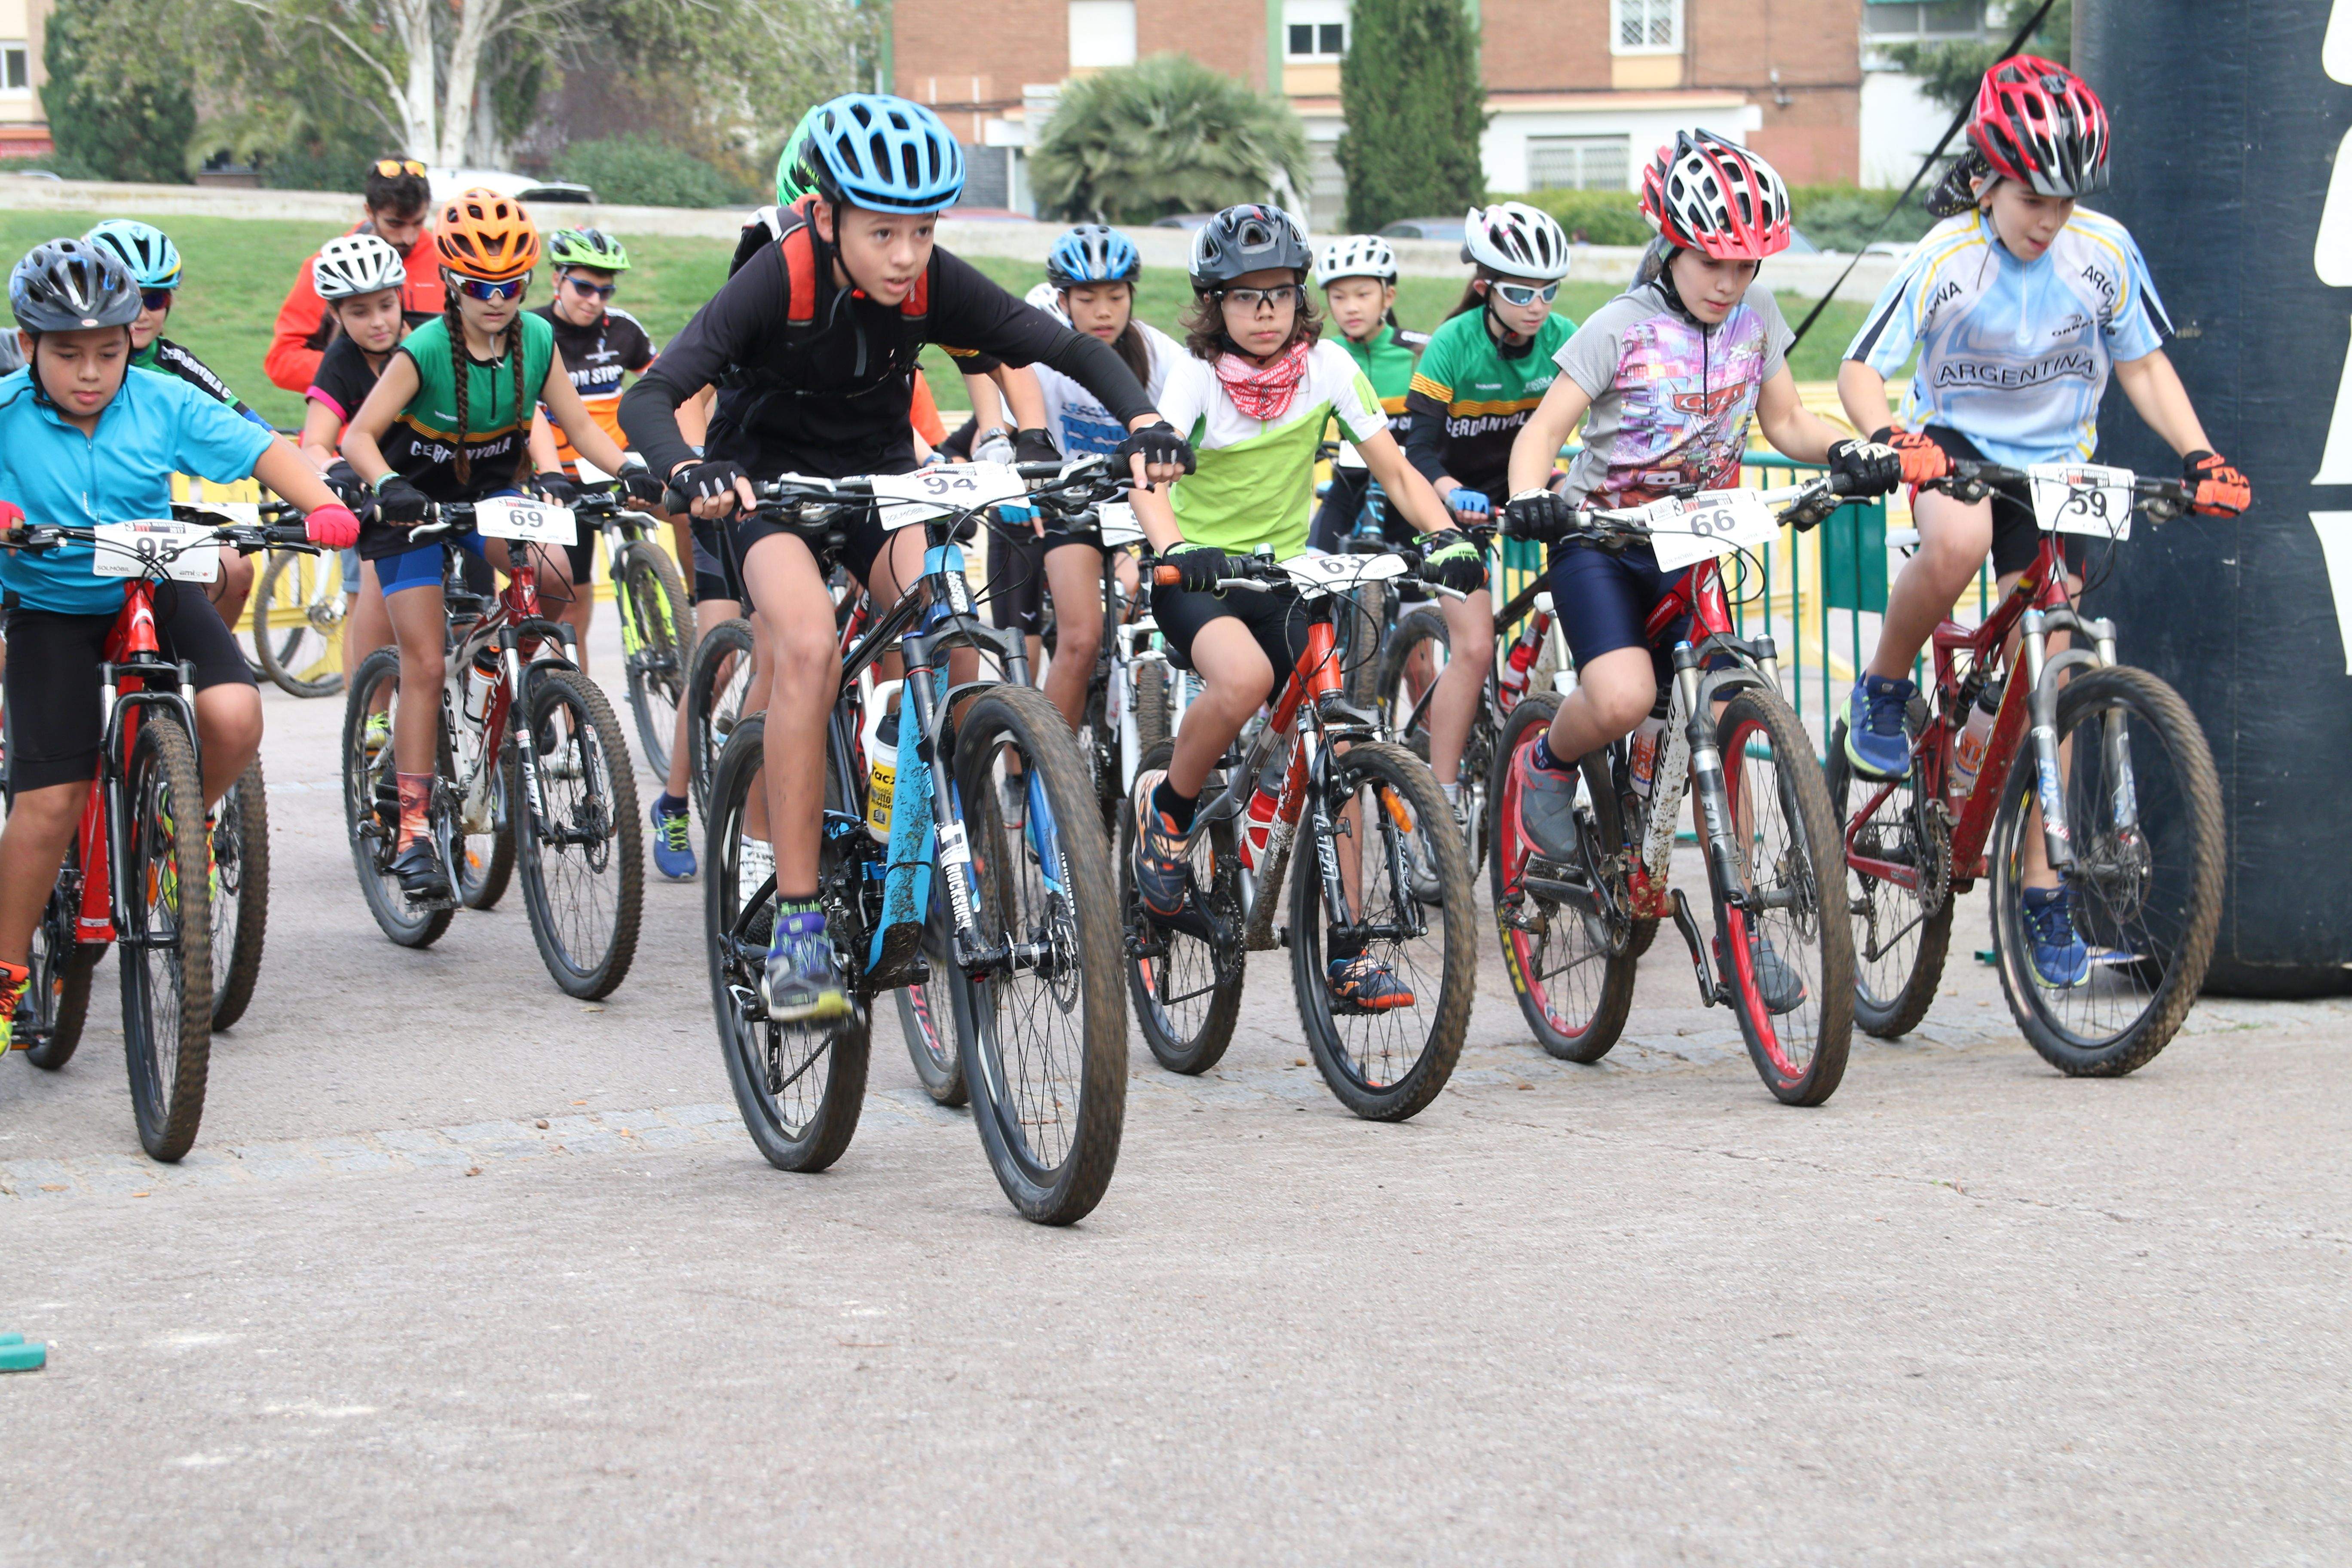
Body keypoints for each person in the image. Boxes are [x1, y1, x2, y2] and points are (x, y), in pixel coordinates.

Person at [618, 93, 1187, 1024]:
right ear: (829, 215)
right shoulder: (777, 275)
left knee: (953, 630)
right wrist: (689, 466)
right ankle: (797, 931)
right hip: (769, 493)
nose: (907, 256)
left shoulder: (928, 281)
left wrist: (1147, 419)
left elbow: (1062, 347)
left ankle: (923, 846)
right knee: (804, 647)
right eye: (884, 233)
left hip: (882, 484)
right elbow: (659, 392)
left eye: (923, 232)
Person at [1836, 57, 2249, 988]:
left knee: (2059, 657)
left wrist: (2200, 456)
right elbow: (1862, 371)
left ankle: (2040, 893)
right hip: (1957, 448)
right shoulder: (1946, 257)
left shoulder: (2102, 252)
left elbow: (2143, 365)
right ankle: (1885, 685)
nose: (2050, 218)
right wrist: (1890, 437)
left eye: (2067, 199)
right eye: (2033, 197)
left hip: (2059, 463)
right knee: (1958, 543)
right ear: (1987, 176)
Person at [1502, 133, 1902, 1011]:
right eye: (1713, 261)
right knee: (1618, 700)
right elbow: (1542, 431)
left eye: (1747, 265)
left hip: (1696, 545)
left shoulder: (1758, 323)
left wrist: (1850, 449)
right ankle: (1547, 763)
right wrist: (1531, 493)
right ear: (1671, 246)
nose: (1729, 281)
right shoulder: (1619, 328)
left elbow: (1789, 420)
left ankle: (1746, 929)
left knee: (1727, 716)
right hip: (1600, 542)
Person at [1121, 204, 1484, 1010]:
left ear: (1299, 299)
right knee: (1243, 677)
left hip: (1290, 576)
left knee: (1338, 739)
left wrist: (1446, 534)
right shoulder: (1196, 375)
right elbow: (1149, 478)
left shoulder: (1326, 370)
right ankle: (1169, 816)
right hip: (1203, 578)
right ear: (1213, 303)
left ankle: (1349, 949)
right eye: (1245, 297)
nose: (1264, 313)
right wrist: (1175, 550)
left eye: (1280, 294)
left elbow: (1393, 471)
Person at [0, 239, 359, 1045]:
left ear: (133, 340)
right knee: (50, 800)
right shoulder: (5, 413)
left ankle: (173, 830)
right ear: (27, 347)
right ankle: (7, 968)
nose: (89, 372)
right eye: (66, 355)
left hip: (149, 581)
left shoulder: (162, 399)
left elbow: (263, 449)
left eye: (107, 351)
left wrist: (319, 503)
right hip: (51, 605)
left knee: (234, 715)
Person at [339, 189, 653, 903]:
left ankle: (507, 675)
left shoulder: (535, 342)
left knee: (549, 570)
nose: (496, 300)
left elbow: (582, 427)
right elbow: (358, 435)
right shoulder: (422, 351)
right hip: (410, 505)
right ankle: (415, 830)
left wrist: (631, 470)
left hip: (487, 493)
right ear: (450, 280)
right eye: (480, 286)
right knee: (420, 658)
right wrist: (387, 482)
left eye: (510, 286)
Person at [990, 222, 1178, 736]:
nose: (1102, 311)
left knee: (1141, 612)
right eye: (1087, 298)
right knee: (1074, 640)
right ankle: (1041, 773)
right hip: (1055, 508)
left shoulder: (1161, 356)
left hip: (1129, 514)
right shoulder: (1042, 352)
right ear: (1062, 300)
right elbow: (1004, 419)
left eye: (1116, 297)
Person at [83, 218, 271, 632]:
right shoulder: (55, 358)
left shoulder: (175, 366)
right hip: (69, 522)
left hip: (148, 519)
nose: (141, 313)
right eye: (124, 296)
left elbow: (254, 431)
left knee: (236, 568)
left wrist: (320, 482)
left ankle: (204, 663)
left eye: (154, 299)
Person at [298, 233, 414, 761]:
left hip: (428, 488)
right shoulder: (341, 361)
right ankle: (368, 719)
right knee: (370, 590)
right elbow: (315, 440)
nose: (378, 322)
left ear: (403, 298)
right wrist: (336, 468)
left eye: (387, 306)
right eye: (359, 312)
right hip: (371, 500)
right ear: (337, 316)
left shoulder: (429, 343)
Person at [266, 157, 446, 395]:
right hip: (350, 424)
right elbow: (281, 361)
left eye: (419, 223)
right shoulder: (330, 268)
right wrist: (361, 371)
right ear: (370, 212)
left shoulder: (448, 259)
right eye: (395, 224)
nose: (408, 238)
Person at [1307, 233, 1426, 556]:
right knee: (1310, 575)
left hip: (1408, 487)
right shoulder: (1321, 355)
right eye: (1339, 297)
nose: (1351, 308)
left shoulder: (1420, 351)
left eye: (1363, 295)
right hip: (1348, 486)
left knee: (1424, 595)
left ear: (1388, 297)